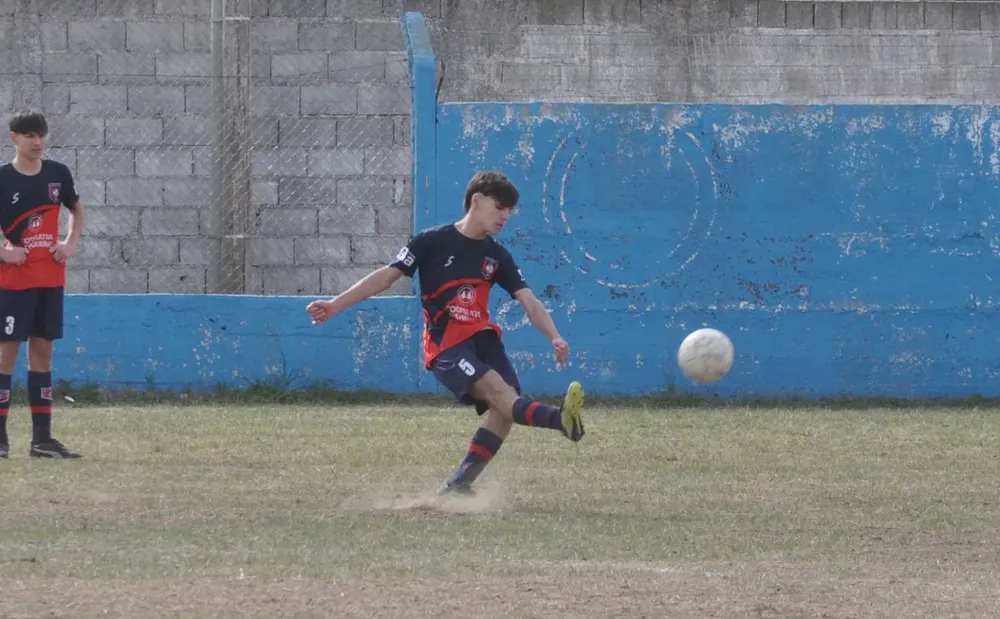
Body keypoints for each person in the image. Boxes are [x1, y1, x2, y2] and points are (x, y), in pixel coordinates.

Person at [307, 170, 584, 495]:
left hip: (484, 341)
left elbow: (529, 301)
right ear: (476, 201)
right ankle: (560, 419)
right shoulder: (432, 241)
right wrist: (336, 304)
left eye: (510, 210)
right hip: (447, 346)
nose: (506, 216)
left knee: (504, 410)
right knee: (501, 394)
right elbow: (386, 276)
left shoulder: (497, 255)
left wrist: (554, 336)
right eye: (500, 207)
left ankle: (459, 486)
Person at [0, 111, 84, 459]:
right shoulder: (3, 177)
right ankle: (1, 441)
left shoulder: (57, 173)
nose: (37, 142)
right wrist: (5, 252)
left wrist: (69, 244)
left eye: (41, 135)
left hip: (49, 279)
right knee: (7, 353)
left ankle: (42, 441)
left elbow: (77, 209)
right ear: (14, 137)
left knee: (43, 352)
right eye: (29, 135)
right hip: (14, 281)